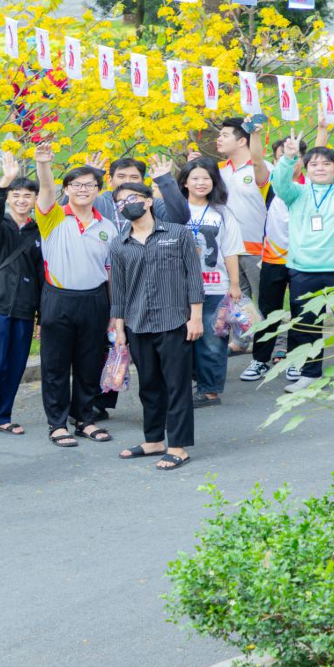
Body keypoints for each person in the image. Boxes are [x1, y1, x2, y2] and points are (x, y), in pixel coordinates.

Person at [85, 153, 191, 422]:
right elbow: (68, 205)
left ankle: (163, 410)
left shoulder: (153, 205)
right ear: (109, 181)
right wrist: (90, 175)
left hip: (142, 286)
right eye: (121, 177)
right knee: (101, 345)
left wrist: (165, 182)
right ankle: (99, 400)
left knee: (146, 352)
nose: (127, 183)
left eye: (134, 178)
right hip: (100, 282)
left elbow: (181, 216)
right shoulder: (101, 202)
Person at [109, 184, 205, 470]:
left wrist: (196, 317)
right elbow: (119, 290)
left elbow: (193, 277)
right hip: (138, 324)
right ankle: (153, 441)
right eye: (121, 202)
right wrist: (120, 329)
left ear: (149, 201)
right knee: (149, 385)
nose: (127, 204)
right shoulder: (119, 243)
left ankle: (177, 446)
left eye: (133, 198)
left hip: (175, 321)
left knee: (177, 386)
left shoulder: (177, 234)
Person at [271, 130, 334, 394]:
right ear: (305, 168)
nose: (320, 168)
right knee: (306, 324)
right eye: (314, 164)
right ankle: (309, 373)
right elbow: (279, 185)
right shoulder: (297, 193)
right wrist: (288, 157)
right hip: (304, 269)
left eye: (326, 163)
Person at [34, 142, 116, 447]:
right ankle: (57, 423)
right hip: (58, 299)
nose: (83, 190)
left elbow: (111, 273)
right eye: (76, 185)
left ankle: (84, 419)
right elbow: (44, 191)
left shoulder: (106, 226)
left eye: (90, 185)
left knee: (89, 363)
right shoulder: (53, 217)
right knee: (55, 364)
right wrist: (44, 165)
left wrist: (114, 313)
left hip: (95, 301)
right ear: (66, 189)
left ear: (98, 189)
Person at [0, 152, 43, 435]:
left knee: (15, 365)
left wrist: (41, 313)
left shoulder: (39, 231)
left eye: (28, 195)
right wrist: (4, 183)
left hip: (26, 307)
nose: (22, 200)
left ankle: (3, 415)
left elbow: (42, 274)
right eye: (16, 195)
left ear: (34, 200)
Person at [179, 157, 245, 408]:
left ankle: (210, 391)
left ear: (214, 182)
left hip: (215, 285)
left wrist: (235, 285)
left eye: (206, 178)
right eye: (195, 178)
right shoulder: (175, 210)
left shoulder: (222, 212)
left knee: (213, 340)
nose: (200, 183)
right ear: (185, 182)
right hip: (180, 287)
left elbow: (230, 250)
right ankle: (190, 383)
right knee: (184, 340)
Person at [242, 137, 306, 383]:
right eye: (282, 157)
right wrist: (254, 134)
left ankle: (297, 359)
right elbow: (256, 159)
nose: (290, 160)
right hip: (273, 259)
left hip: (304, 261)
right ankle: (260, 360)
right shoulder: (270, 184)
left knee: (302, 312)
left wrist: (322, 129)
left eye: (296, 156)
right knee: (269, 311)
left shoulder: (311, 185)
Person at [216, 118, 271, 305]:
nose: (219, 139)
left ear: (241, 141)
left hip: (258, 250)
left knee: (263, 304)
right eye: (219, 135)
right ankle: (243, 336)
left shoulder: (263, 169)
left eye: (224, 135)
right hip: (229, 250)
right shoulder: (219, 171)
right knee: (238, 307)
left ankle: (272, 336)